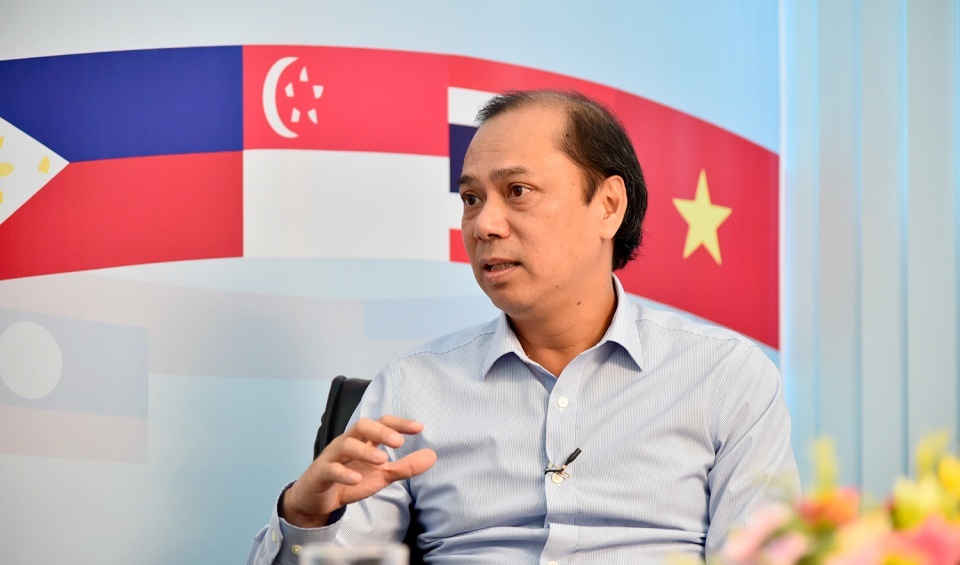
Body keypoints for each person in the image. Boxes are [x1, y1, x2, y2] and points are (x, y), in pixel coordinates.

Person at [247, 90, 799, 565]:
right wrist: (304, 516)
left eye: (518, 191)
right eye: (471, 199)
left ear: (608, 205)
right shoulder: (413, 389)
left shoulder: (726, 378)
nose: (484, 224)